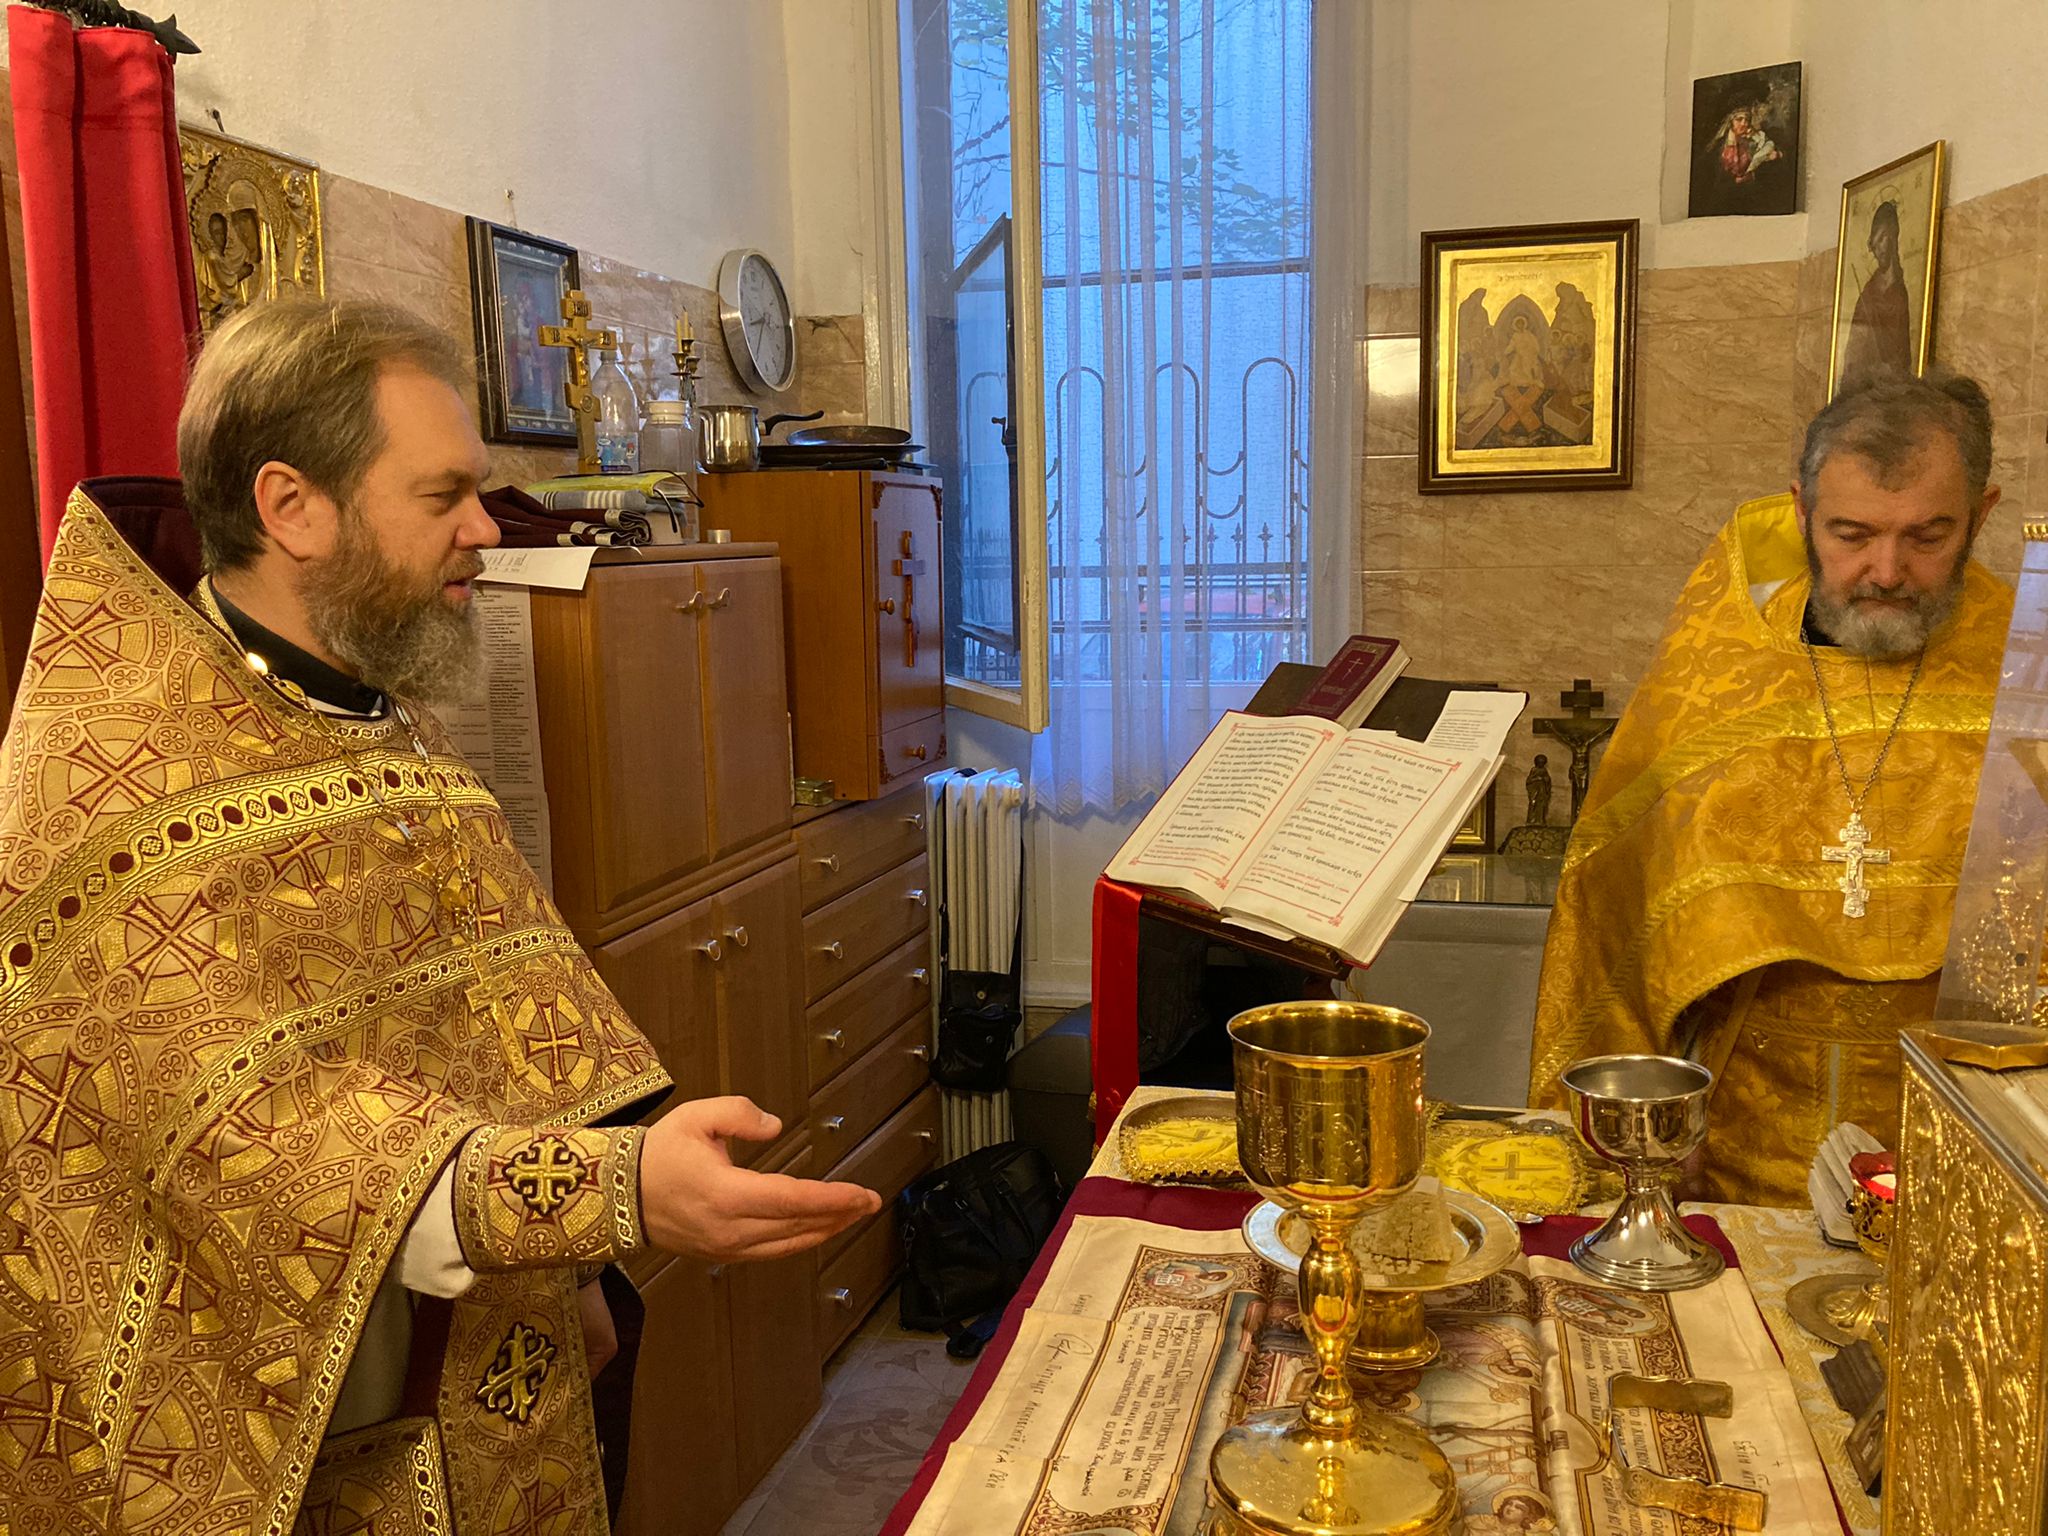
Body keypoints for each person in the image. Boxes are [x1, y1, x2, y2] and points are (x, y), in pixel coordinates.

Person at [0, 298, 880, 1532]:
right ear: (291, 507)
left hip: (496, 1350)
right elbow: (256, 1144)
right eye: (443, 495)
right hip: (307, 1422)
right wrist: (609, 1191)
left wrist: (575, 1259)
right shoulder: (113, 780)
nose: (486, 528)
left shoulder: (367, 706)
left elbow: (498, 993)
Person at [1527, 370, 2011, 1204]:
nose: (1886, 570)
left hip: (1969, 1139)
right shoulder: (1720, 667)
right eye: (1851, 534)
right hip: (1731, 1143)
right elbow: (1616, 917)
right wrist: (1633, 1138)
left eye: (1928, 537)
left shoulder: (2027, 669)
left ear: (1981, 514)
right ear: (1801, 511)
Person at [1843, 199, 1913, 381]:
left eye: (1882, 238)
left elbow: (1904, 348)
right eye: (1875, 244)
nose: (1878, 249)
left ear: (1893, 236)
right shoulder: (1868, 295)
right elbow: (1854, 351)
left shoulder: (1901, 290)